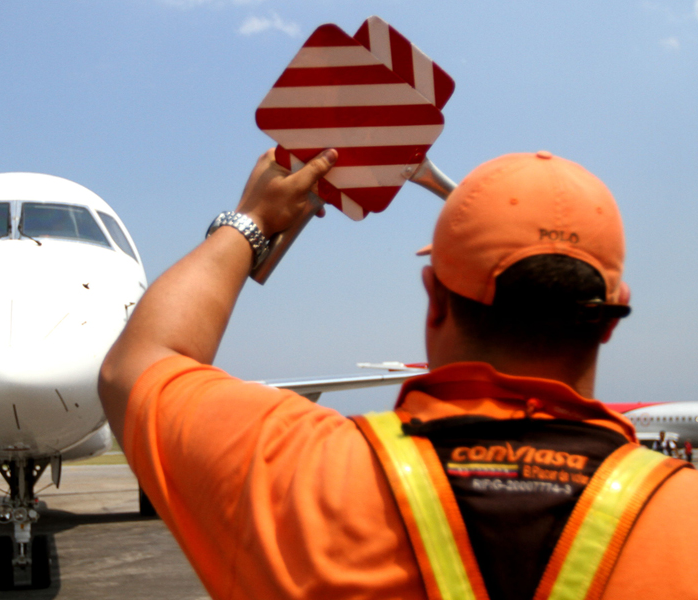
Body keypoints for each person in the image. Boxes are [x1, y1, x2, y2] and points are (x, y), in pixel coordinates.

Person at [98, 149, 698, 599]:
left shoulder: (307, 474)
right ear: (611, 317)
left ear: (434, 298)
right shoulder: (682, 515)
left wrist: (251, 221)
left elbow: (141, 363)